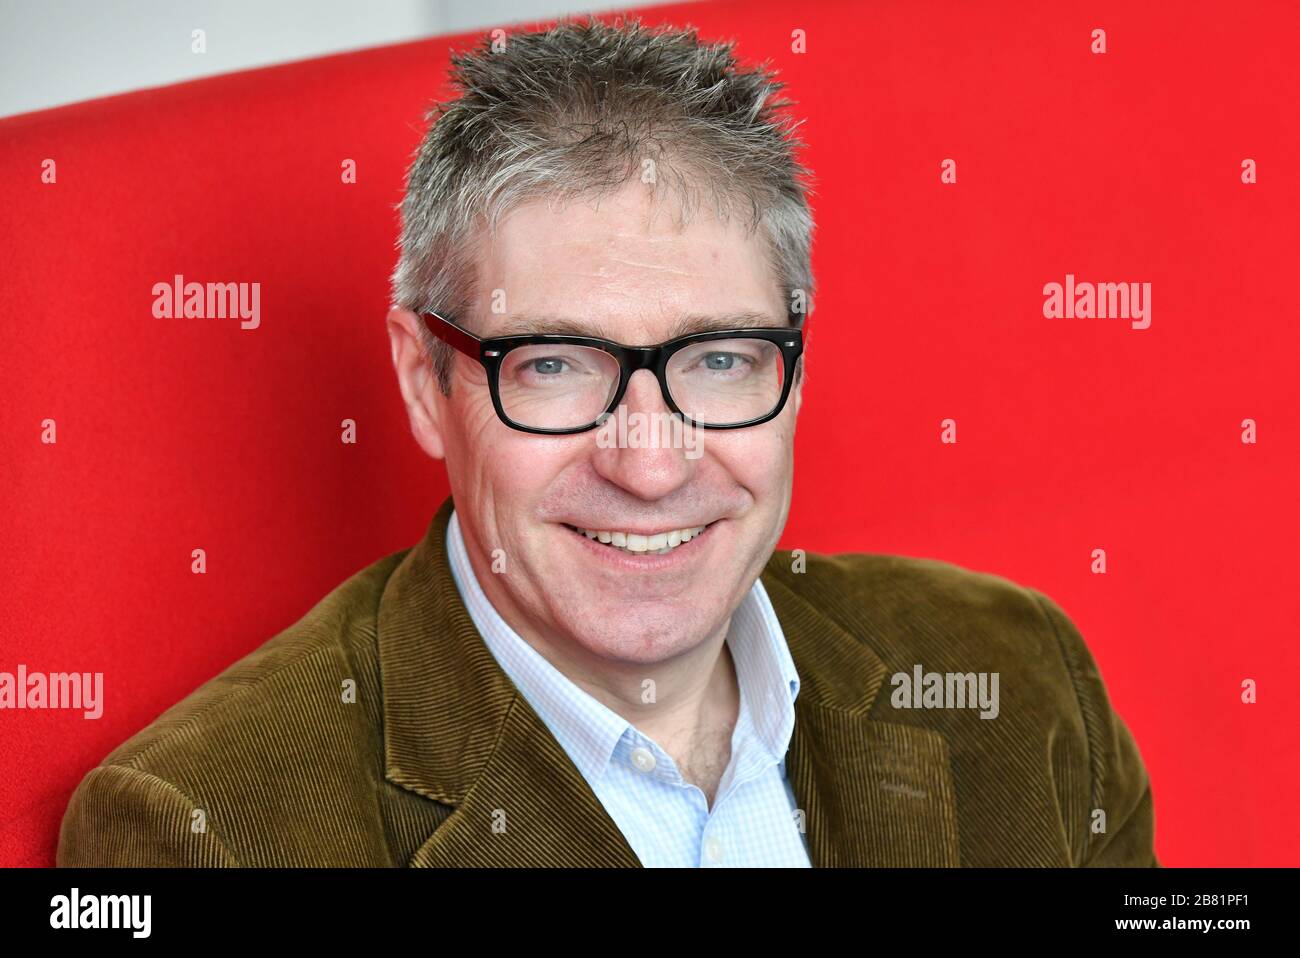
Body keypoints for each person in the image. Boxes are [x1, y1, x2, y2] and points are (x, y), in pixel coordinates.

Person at [57, 16, 1157, 868]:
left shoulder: (1016, 671)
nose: (649, 459)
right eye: (555, 365)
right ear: (422, 381)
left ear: (795, 369)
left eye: (719, 359)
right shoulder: (204, 832)